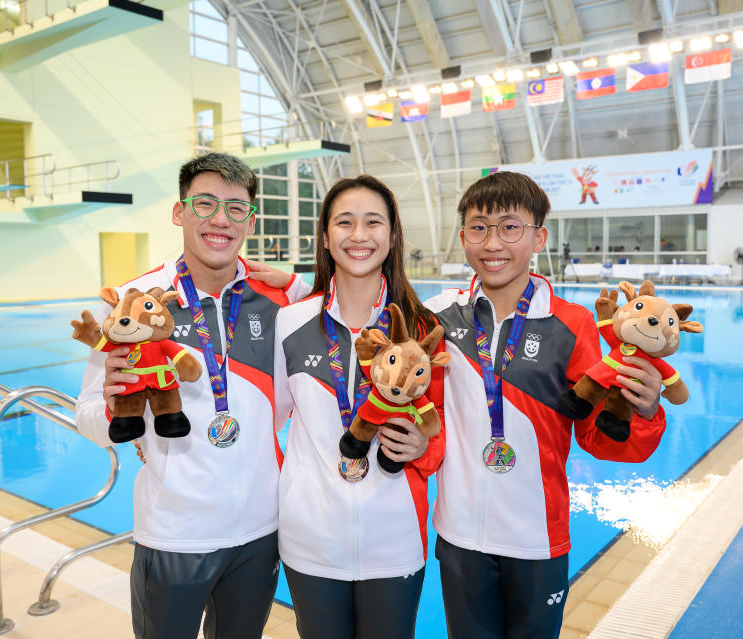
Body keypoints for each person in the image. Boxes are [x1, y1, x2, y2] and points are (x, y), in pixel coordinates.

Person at [423, 171, 667, 639]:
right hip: (459, 535)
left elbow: (600, 437)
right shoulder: (437, 317)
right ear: (463, 238)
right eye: (479, 227)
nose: (493, 242)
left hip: (537, 537)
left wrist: (644, 408)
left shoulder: (572, 325)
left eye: (510, 227)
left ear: (539, 237)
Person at [75, 152, 309, 639]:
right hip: (174, 534)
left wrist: (298, 282)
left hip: (261, 532)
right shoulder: (134, 301)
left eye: (235, 208)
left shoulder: (280, 299)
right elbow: (89, 419)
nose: (220, 219)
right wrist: (120, 405)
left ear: (249, 219)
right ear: (179, 212)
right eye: (204, 204)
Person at [272, 175, 444, 639]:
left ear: (391, 236)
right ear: (326, 237)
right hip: (311, 538)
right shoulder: (290, 322)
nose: (359, 235)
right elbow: (265, 421)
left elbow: (444, 431)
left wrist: (420, 448)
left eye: (373, 222)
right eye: (344, 222)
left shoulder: (424, 329)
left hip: (395, 537)